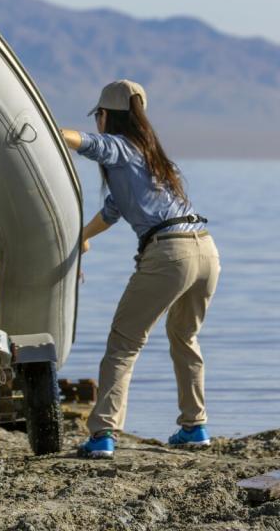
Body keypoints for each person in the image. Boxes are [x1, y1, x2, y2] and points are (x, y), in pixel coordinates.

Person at [61, 79, 220, 459]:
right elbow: (114, 211)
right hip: (206, 251)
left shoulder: (119, 147)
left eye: (97, 116)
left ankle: (102, 435)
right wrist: (83, 237)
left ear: (105, 116)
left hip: (170, 255)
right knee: (185, 338)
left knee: (123, 343)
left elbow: (83, 143)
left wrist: (38, 128)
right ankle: (195, 426)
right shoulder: (155, 158)